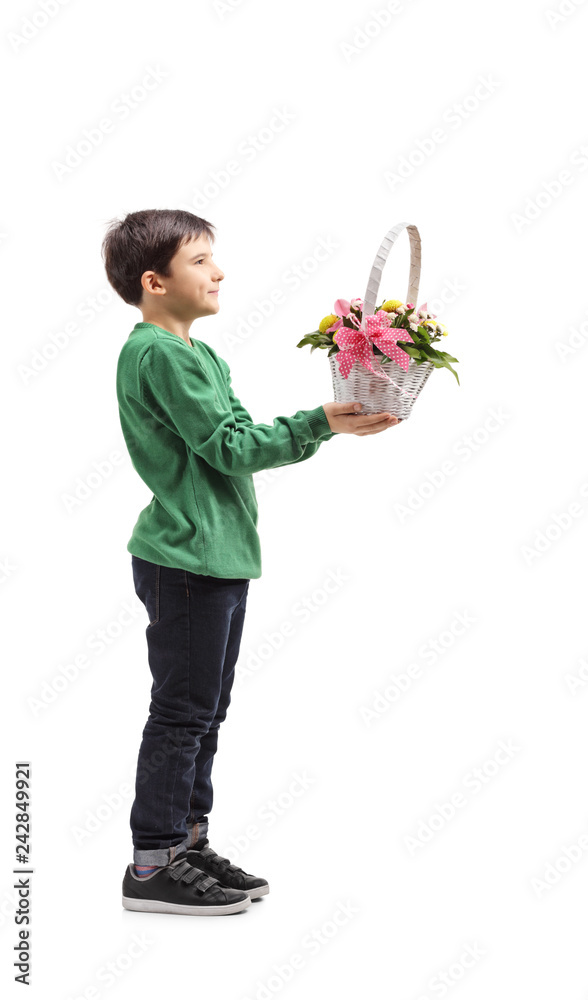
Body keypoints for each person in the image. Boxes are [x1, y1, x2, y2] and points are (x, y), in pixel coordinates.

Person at [102, 208, 399, 916]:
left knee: (205, 712)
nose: (218, 271)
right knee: (181, 714)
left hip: (216, 558)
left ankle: (186, 844)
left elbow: (233, 436)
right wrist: (320, 422)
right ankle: (152, 865)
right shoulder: (159, 353)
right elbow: (232, 448)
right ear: (155, 280)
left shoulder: (195, 352)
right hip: (187, 561)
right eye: (200, 260)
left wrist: (322, 425)